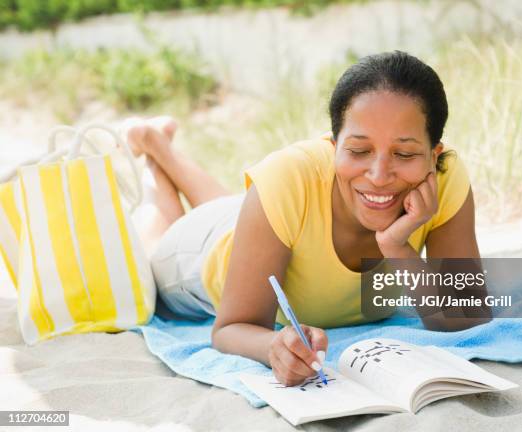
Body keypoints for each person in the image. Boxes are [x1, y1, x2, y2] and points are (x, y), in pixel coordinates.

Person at [125, 51, 488, 387]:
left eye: (405, 153)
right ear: (332, 147)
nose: (379, 175)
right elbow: (231, 328)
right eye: (359, 150)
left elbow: (465, 315)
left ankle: (158, 144)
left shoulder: (446, 178)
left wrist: (397, 247)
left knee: (241, 206)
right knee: (156, 244)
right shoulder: (288, 176)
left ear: (433, 154)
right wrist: (272, 346)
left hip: (266, 218)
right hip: (199, 255)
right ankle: (156, 161)